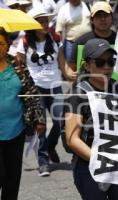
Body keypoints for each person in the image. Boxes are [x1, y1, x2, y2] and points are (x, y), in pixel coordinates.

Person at [64, 38, 118, 200]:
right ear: (87, 65)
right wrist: (101, 161)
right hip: (88, 166)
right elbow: (72, 140)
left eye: (111, 62)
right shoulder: (78, 95)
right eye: (100, 62)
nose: (106, 67)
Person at [17, 6, 65, 177]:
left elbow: (62, 62)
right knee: (41, 126)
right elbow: (20, 67)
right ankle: (43, 162)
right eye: (41, 21)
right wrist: (22, 87)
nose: (46, 24)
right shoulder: (23, 42)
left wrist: (70, 73)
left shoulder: (55, 38)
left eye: (46, 21)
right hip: (36, 87)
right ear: (33, 24)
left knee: (61, 121)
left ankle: (50, 146)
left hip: (55, 85)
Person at [0, 26, 45, 200]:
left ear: (8, 44)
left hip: (16, 130)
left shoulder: (17, 65)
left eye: (1, 43)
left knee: (12, 178)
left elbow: (32, 93)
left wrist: (39, 119)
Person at [68, 1, 117, 73]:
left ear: (112, 17)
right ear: (91, 20)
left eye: (106, 15)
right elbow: (73, 68)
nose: (102, 19)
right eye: (98, 16)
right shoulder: (81, 42)